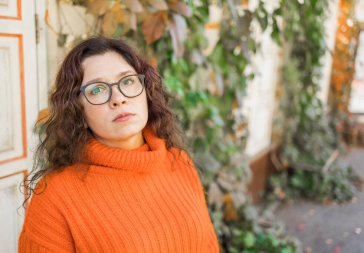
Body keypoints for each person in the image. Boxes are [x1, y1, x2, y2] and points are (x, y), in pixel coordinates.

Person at [18, 37, 220, 253]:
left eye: (127, 81)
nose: (119, 98)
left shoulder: (179, 162)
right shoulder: (55, 196)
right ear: (78, 111)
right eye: (97, 90)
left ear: (146, 90)